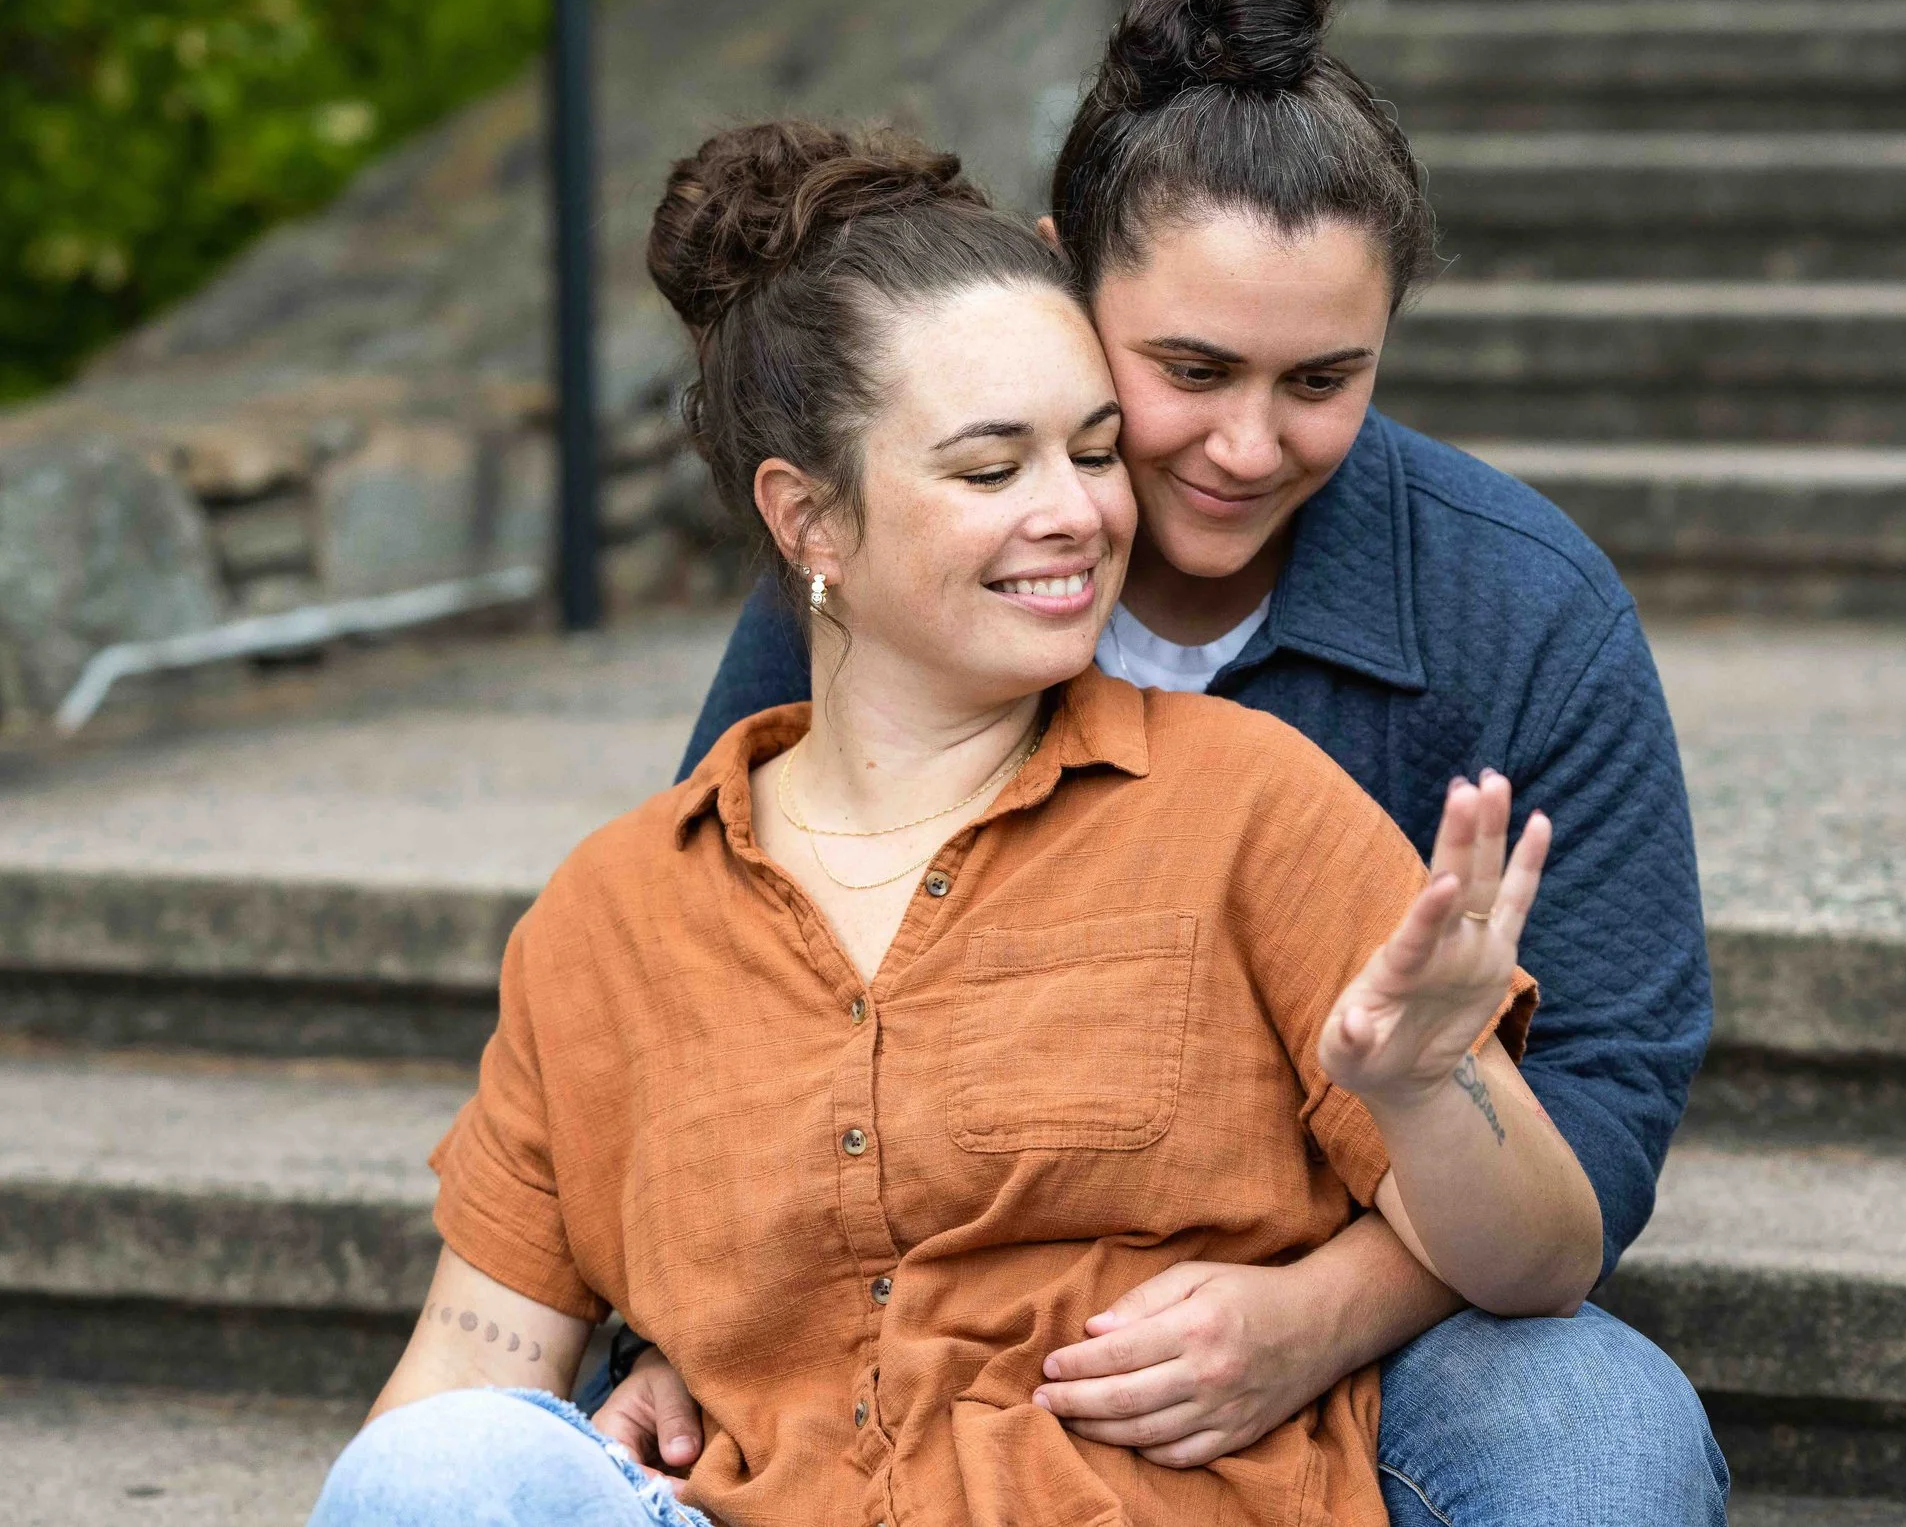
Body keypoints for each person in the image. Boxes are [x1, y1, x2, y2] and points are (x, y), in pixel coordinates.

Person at [308, 120, 1602, 1527]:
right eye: (992, 471)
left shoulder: (1252, 802)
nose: (1079, 514)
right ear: (810, 519)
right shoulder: (610, 914)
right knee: (434, 1471)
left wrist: (1428, 1086)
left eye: (1094, 452)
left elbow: (1539, 1266)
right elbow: (464, 1374)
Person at [596, 0, 1727, 1527]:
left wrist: (1315, 1313)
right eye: (1189, 370)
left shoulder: (1523, 612)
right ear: (1061, 280)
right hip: (936, 1305)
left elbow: (1605, 1092)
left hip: (1390, 1295)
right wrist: (672, 1326)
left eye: (1323, 379)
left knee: (1602, 1437)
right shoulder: (890, 578)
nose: (1247, 446)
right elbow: (706, 987)